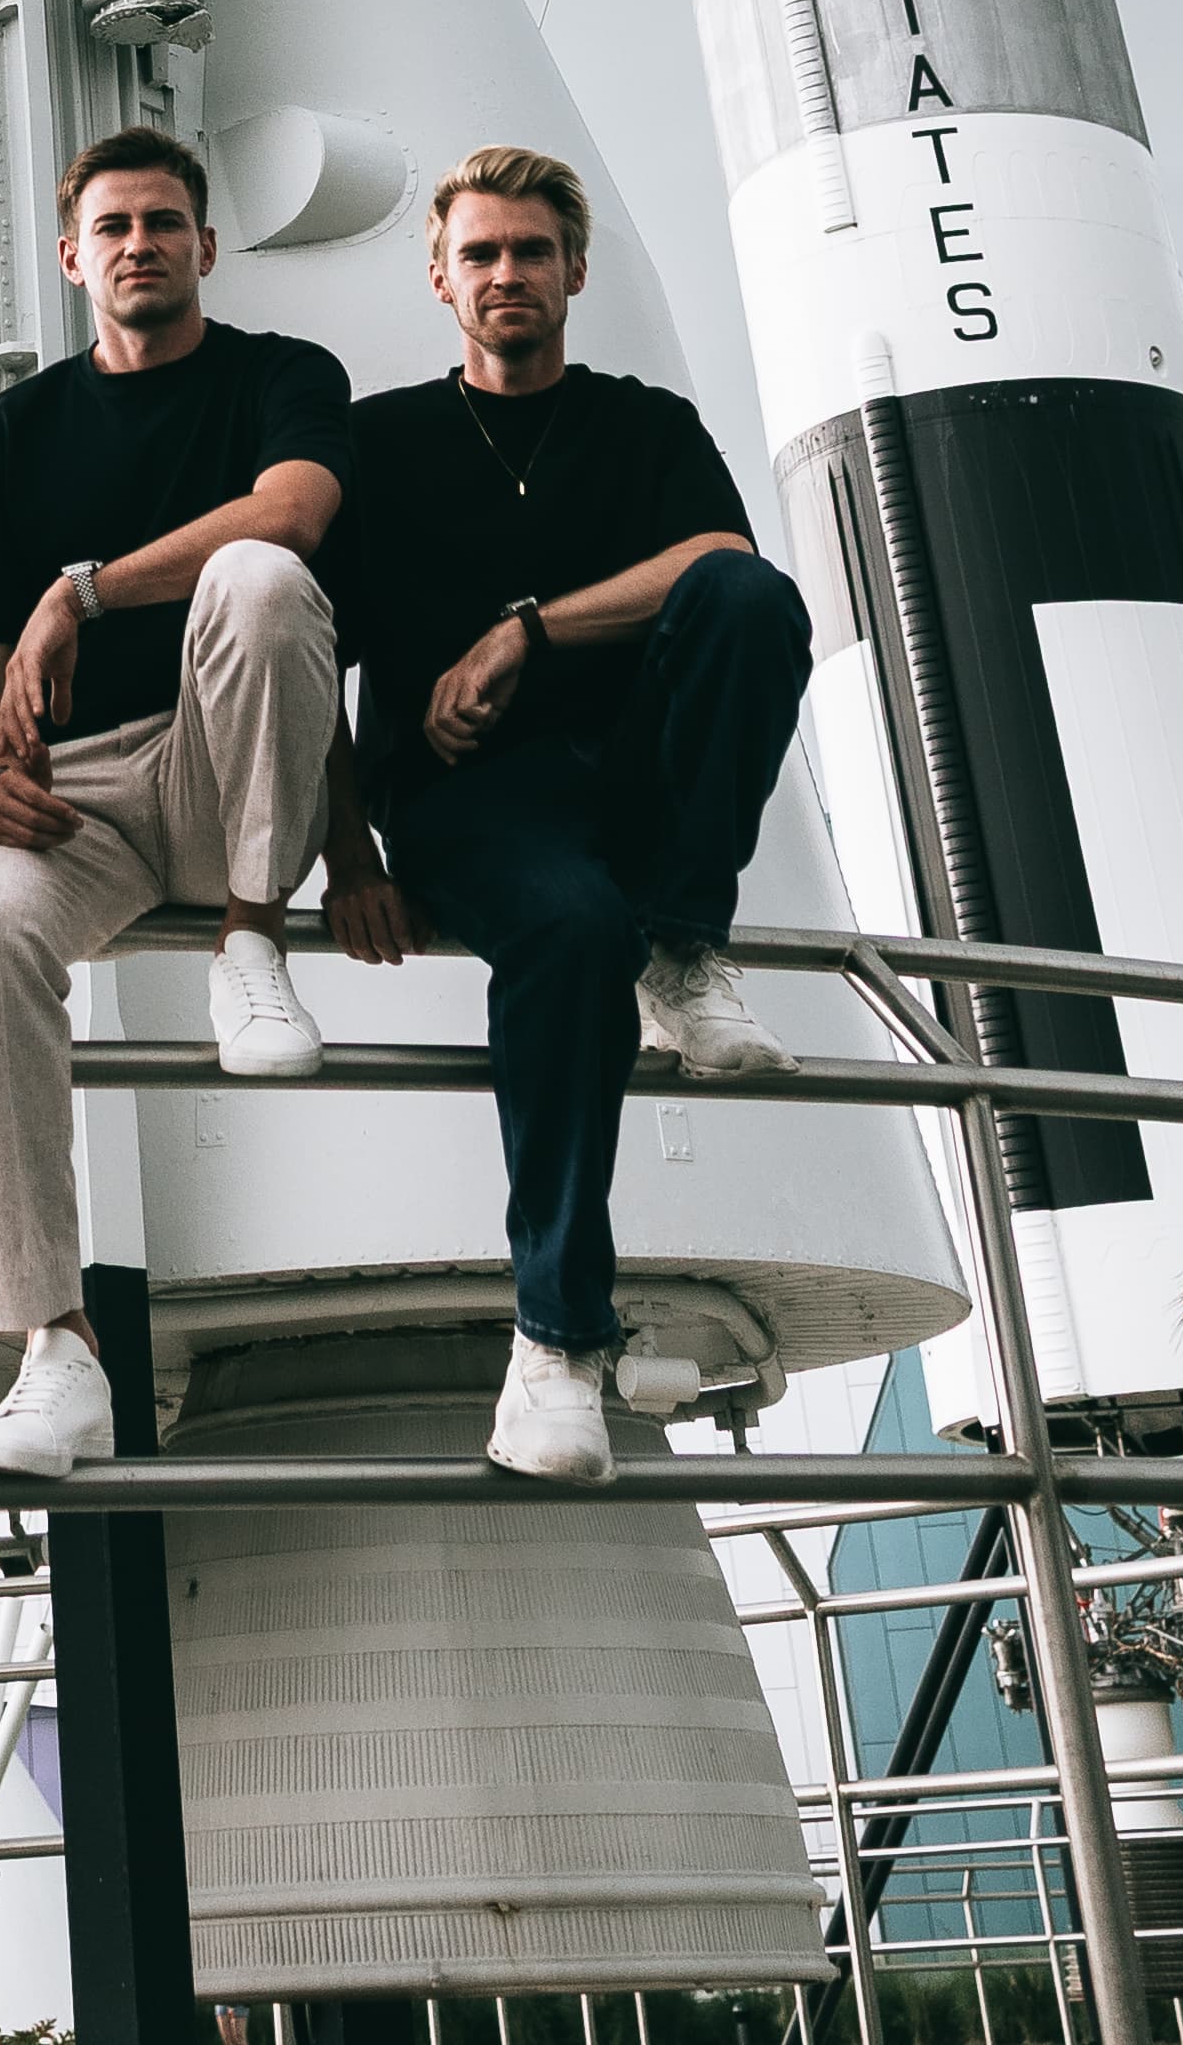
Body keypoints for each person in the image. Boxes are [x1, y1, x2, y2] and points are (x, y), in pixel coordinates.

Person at [321, 139, 814, 1484]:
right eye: (478, 253)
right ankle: (554, 1339)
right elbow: (311, 654)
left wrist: (522, 633)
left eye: (530, 251)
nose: (505, 274)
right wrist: (343, 850)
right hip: (474, 807)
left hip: (633, 784)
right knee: (569, 936)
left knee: (749, 603)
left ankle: (684, 946)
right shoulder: (381, 443)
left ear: (573, 270)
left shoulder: (640, 424)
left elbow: (722, 560)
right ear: (438, 277)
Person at [0, 127, 351, 1482]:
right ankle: (54, 1350)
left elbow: (288, 514)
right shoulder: (6, 437)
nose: (138, 245)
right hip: (78, 795)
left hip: (218, 761)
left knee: (259, 581)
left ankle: (248, 939)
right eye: (111, 227)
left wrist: (87, 588)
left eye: (163, 223)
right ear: (72, 258)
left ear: (206, 248)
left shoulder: (282, 377)